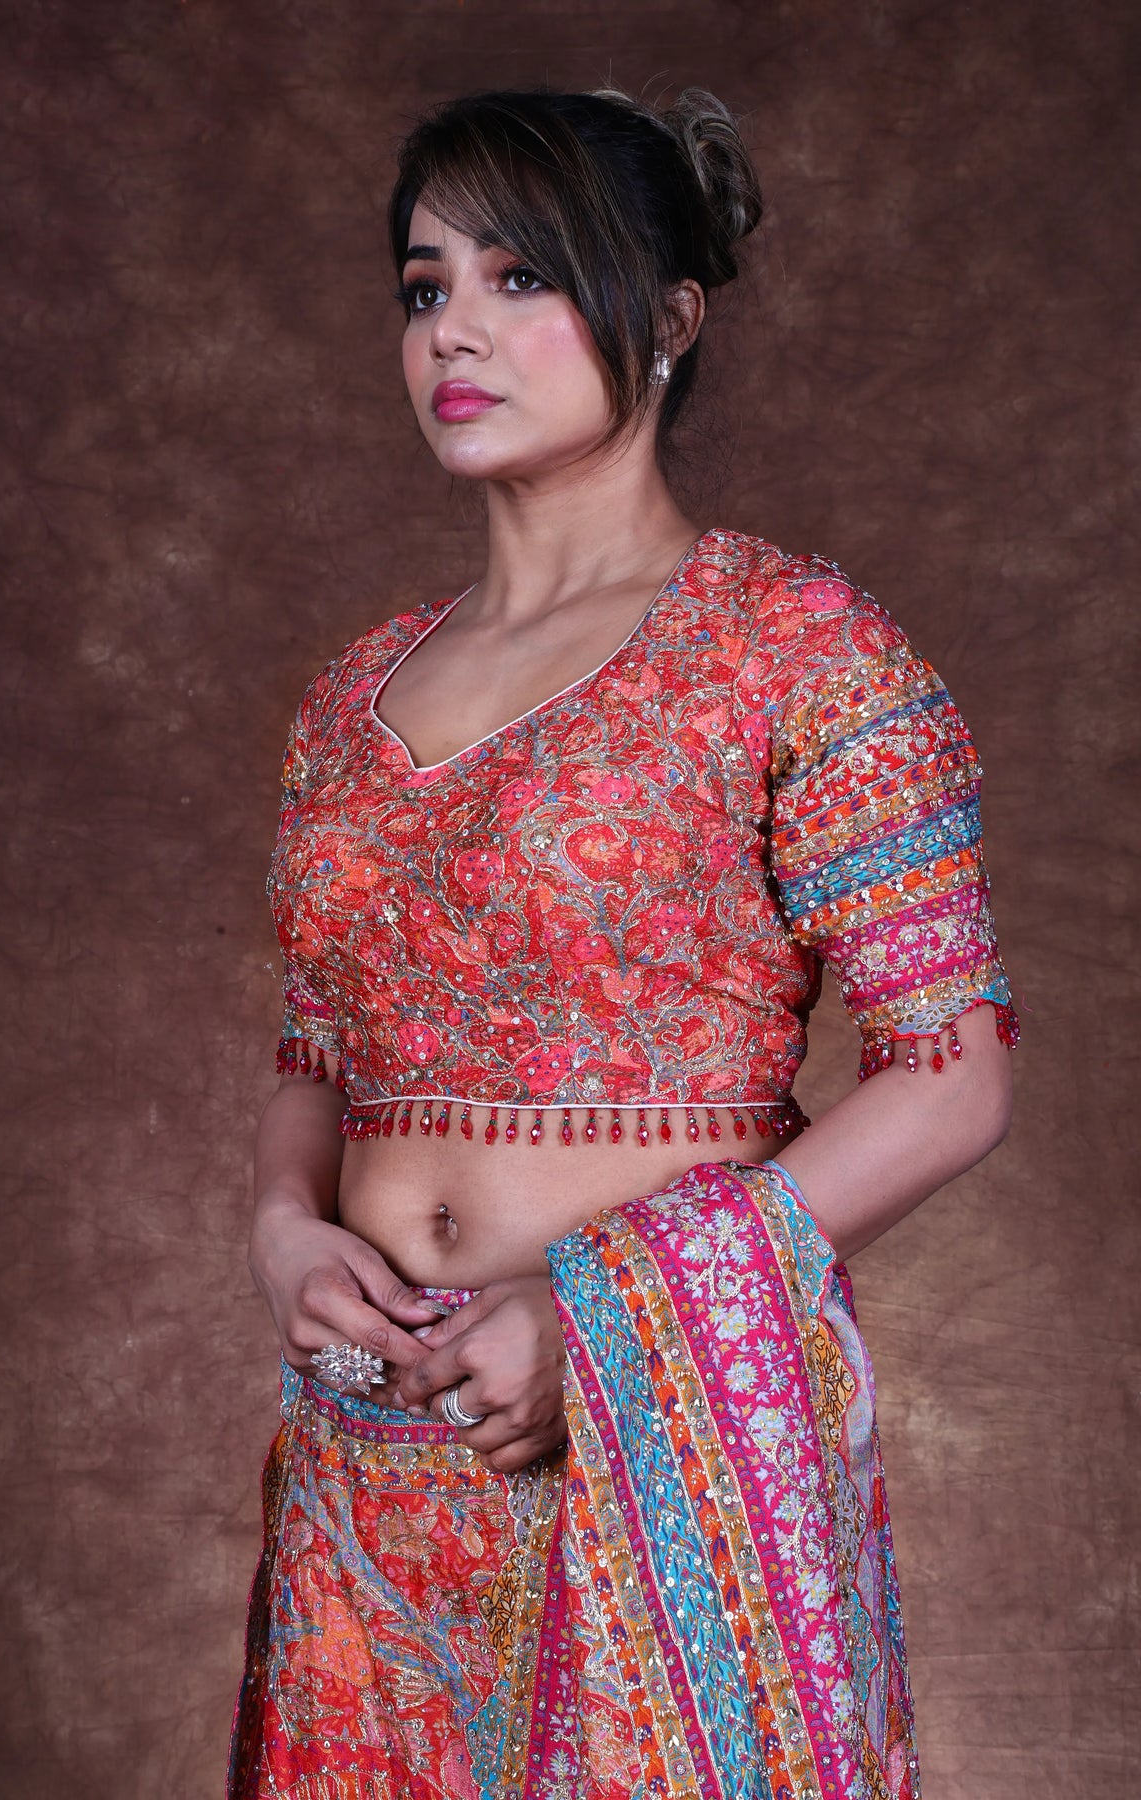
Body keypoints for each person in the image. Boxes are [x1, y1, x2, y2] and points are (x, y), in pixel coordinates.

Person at [228, 85, 1017, 1800]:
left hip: (657, 1441)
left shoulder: (798, 651)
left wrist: (605, 1323)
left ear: (668, 317)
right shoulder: (351, 698)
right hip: (374, 1453)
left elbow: (952, 1078)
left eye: (521, 277)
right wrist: (285, 1234)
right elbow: (317, 1048)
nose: (455, 331)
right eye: (425, 285)